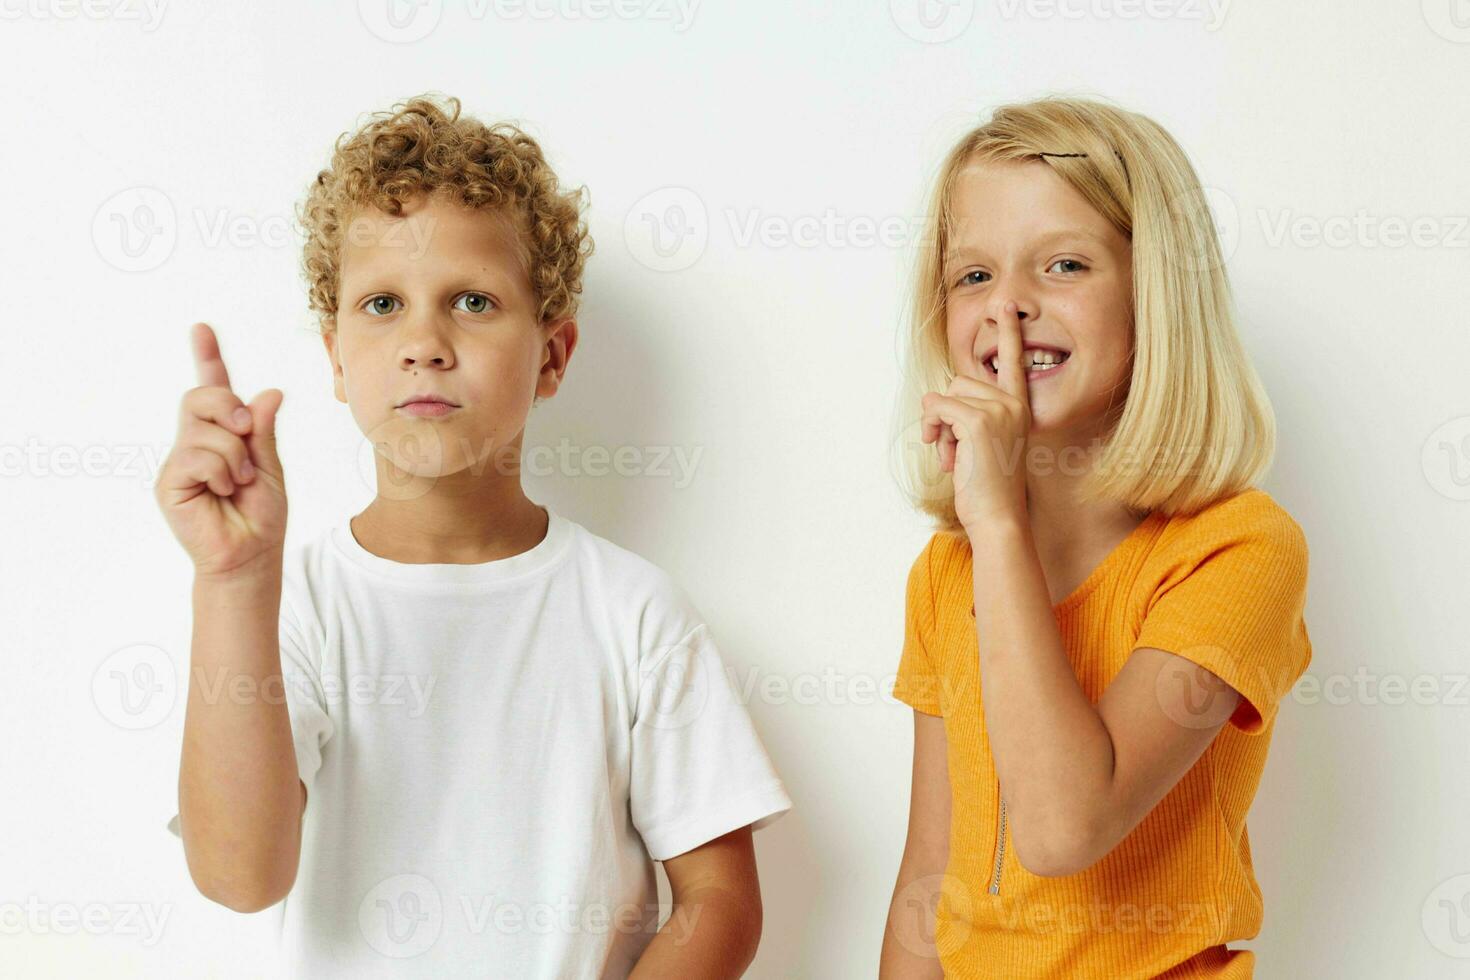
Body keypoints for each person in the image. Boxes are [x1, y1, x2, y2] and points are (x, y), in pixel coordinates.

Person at [156, 93, 790, 979]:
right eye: (382, 303)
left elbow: (719, 901)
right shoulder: (290, 604)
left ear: (553, 356)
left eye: (472, 301)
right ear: (336, 359)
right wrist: (231, 582)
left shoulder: (632, 611)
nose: (424, 341)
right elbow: (238, 876)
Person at [880, 96, 1312, 979]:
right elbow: (930, 875)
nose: (1009, 308)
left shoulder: (1239, 551)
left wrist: (998, 521)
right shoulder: (945, 573)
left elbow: (1063, 827)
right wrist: (988, 533)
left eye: (1064, 264)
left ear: (1156, 296)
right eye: (972, 277)